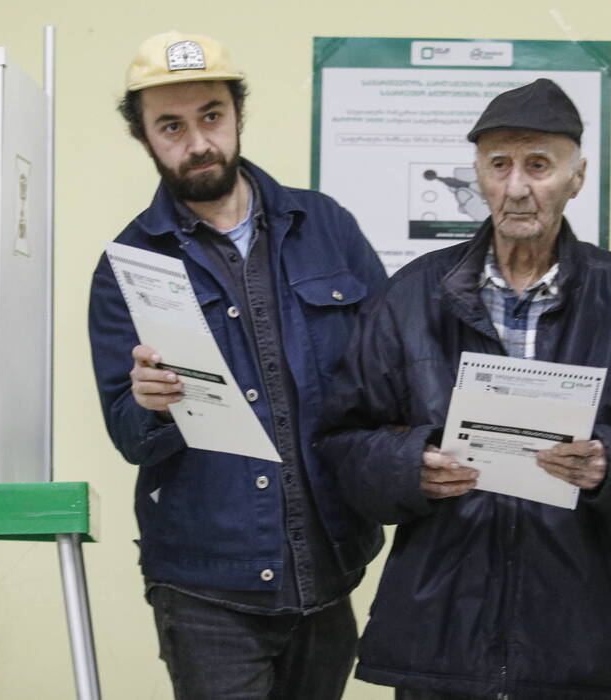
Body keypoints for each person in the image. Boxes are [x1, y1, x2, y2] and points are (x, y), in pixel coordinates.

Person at [316, 78, 611, 699]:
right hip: (441, 647)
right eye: (500, 165)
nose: (517, 187)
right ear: (479, 175)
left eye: (539, 165)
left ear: (577, 176)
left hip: (586, 650)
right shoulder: (411, 298)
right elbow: (341, 442)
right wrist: (411, 466)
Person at [88, 31, 387, 700]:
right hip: (204, 584)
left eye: (211, 117)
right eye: (171, 125)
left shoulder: (327, 226)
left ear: (237, 115)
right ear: (143, 138)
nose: (197, 142)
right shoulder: (126, 269)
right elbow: (127, 434)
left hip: (329, 565)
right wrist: (147, 403)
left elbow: (388, 370)